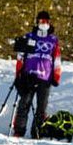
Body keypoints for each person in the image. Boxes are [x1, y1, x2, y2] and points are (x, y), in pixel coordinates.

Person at [13, 9, 62, 138]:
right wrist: (18, 73)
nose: (44, 23)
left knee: (42, 108)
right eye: (41, 21)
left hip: (45, 77)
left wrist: (56, 75)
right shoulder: (29, 36)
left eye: (46, 21)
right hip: (29, 75)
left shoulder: (53, 40)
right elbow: (20, 57)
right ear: (37, 22)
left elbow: (57, 59)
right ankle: (19, 131)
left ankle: (37, 132)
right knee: (24, 104)